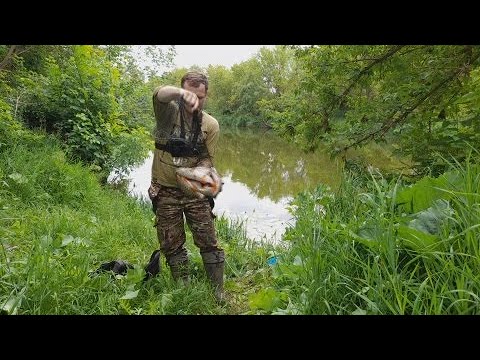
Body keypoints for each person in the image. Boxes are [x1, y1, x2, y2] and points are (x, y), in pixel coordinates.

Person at [148, 71, 225, 302]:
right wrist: (182, 94)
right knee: (171, 242)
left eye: (200, 97)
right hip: (164, 189)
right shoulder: (167, 113)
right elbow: (160, 94)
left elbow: (207, 159)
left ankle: (217, 291)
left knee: (208, 239)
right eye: (190, 95)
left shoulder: (210, 125)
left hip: (194, 192)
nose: (195, 101)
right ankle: (183, 286)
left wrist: (197, 175)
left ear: (206, 96)